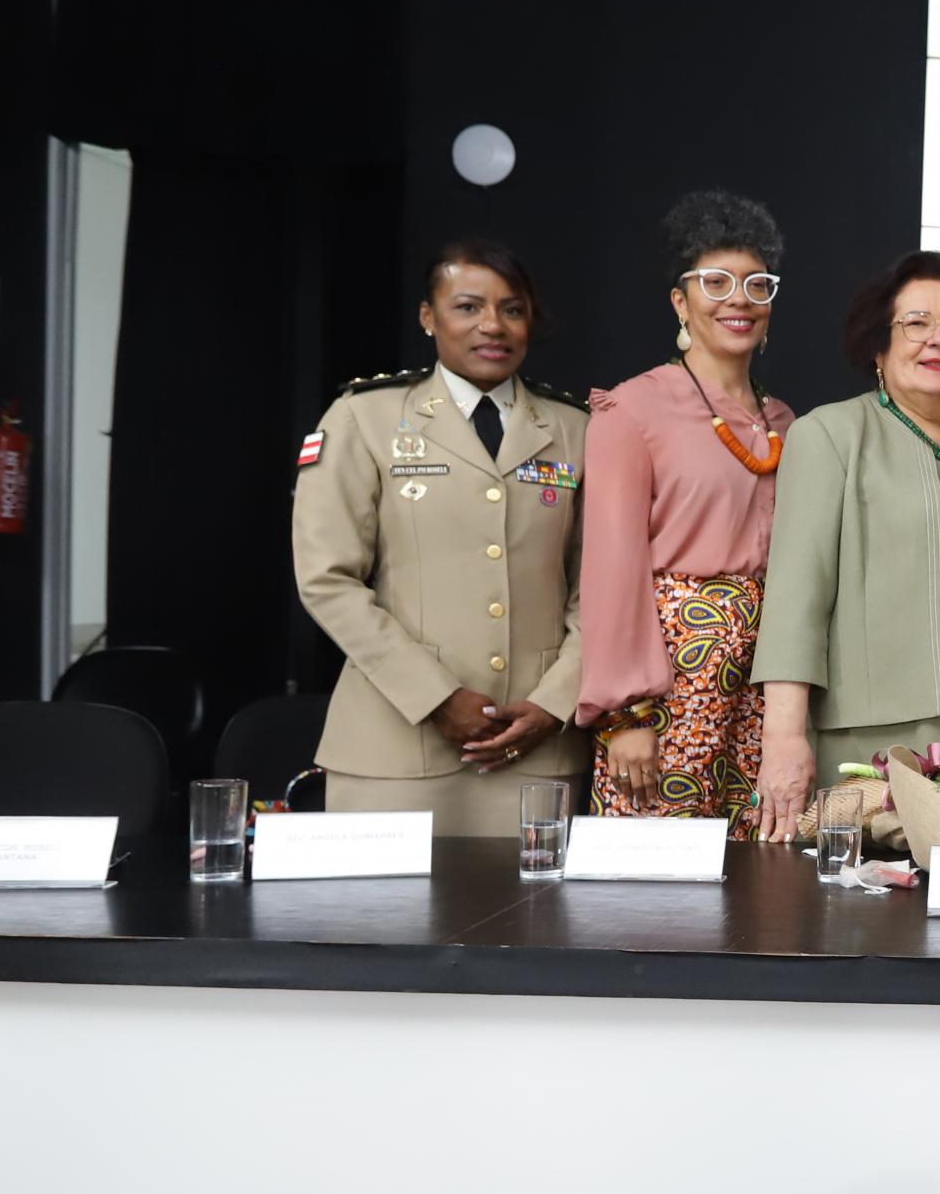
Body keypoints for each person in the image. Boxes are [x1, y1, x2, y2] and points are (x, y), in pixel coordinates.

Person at [291, 240, 589, 833]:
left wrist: (555, 702)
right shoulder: (364, 417)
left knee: (530, 899)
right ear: (428, 317)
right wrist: (434, 697)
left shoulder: (574, 428)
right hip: (393, 746)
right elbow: (327, 579)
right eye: (468, 307)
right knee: (386, 899)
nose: (492, 326)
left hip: (534, 745)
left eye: (512, 309)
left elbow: (602, 589)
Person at [747, 252, 940, 840]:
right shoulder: (829, 434)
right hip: (877, 727)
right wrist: (783, 736)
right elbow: (797, 597)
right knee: (873, 885)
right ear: (878, 347)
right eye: (916, 323)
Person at [575, 191, 799, 834]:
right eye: (716, 282)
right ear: (681, 301)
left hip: (763, 686)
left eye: (756, 284)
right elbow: (613, 568)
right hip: (671, 682)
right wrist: (625, 714)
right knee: (657, 870)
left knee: (758, 867)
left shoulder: (784, 420)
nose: (739, 299)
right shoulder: (632, 410)